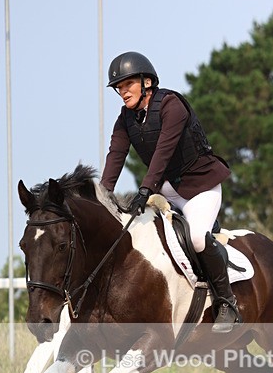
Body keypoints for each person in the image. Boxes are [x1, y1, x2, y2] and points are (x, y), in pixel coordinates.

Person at [101, 51, 242, 333]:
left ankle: (227, 303)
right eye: (119, 87)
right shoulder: (125, 119)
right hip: (167, 191)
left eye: (128, 84)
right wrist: (102, 197)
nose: (122, 91)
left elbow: (163, 153)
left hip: (200, 187)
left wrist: (145, 189)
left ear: (147, 82)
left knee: (197, 238)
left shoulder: (171, 105)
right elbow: (116, 155)